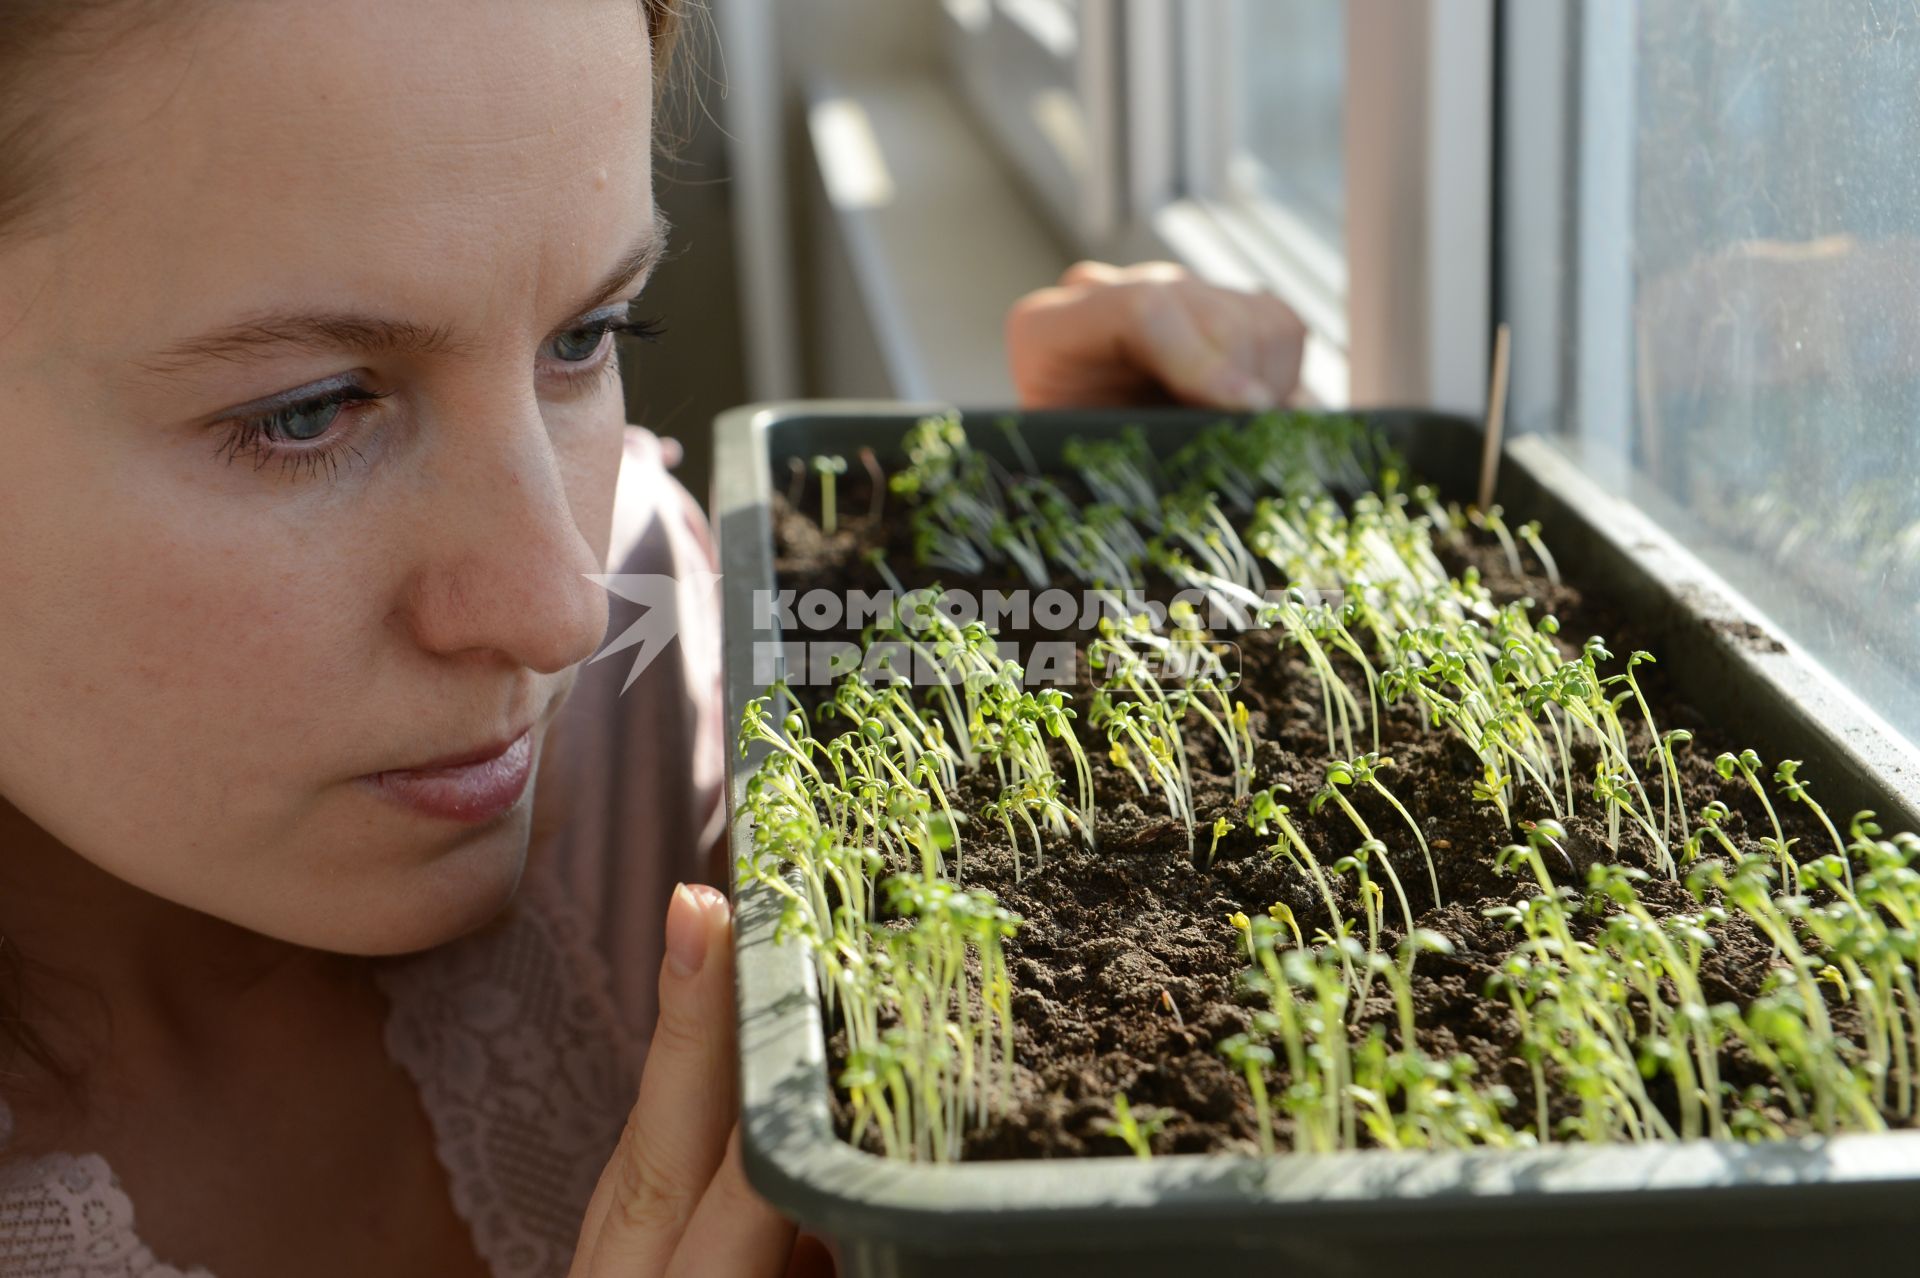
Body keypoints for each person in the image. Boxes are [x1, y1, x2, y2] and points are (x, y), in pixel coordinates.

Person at [0, 2, 1306, 1275]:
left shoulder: (656, 638)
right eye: (304, 413)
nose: (563, 610)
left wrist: (1048, 621)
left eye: (584, 337)